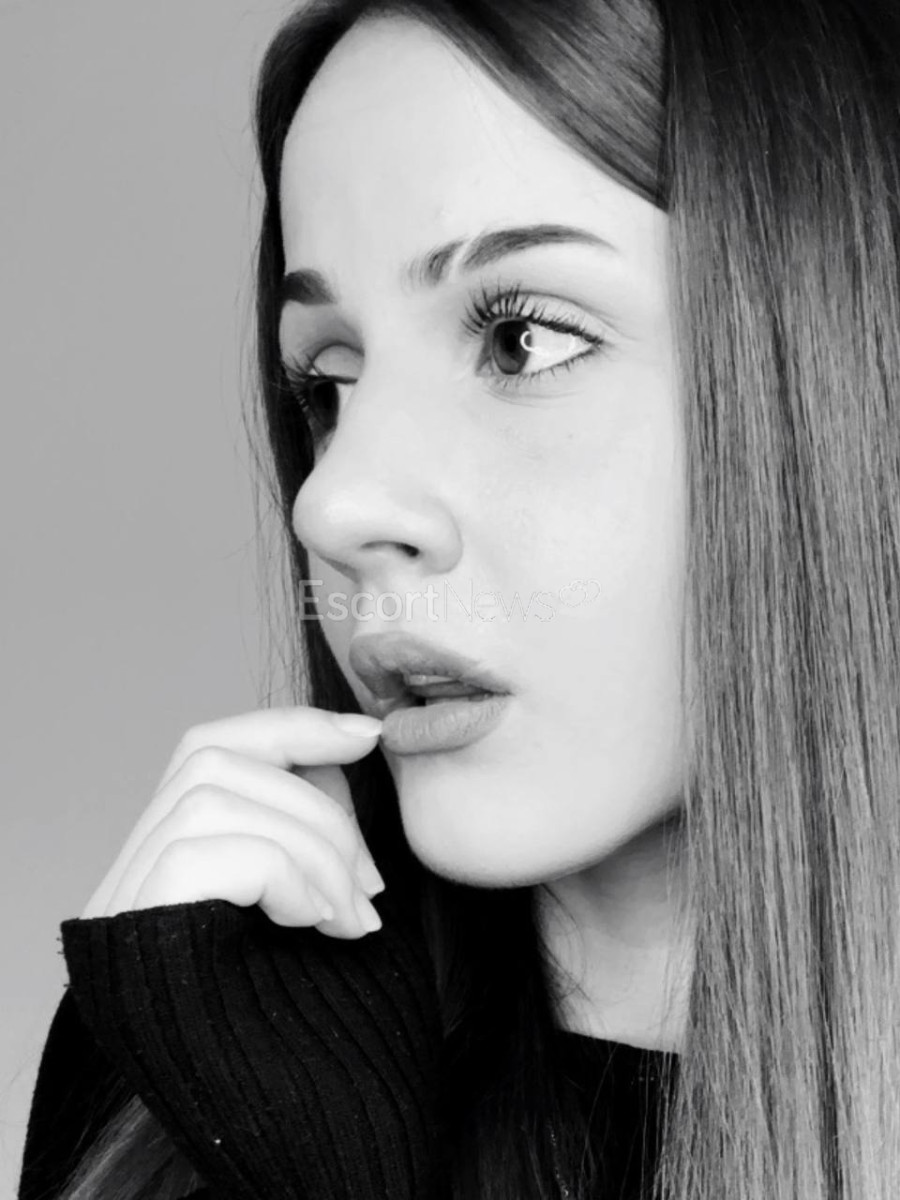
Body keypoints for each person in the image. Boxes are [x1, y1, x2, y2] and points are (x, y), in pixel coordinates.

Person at [17, 0, 900, 1197]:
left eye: (522, 340)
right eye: (327, 381)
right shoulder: (179, 1072)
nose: (334, 505)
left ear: (845, 370)